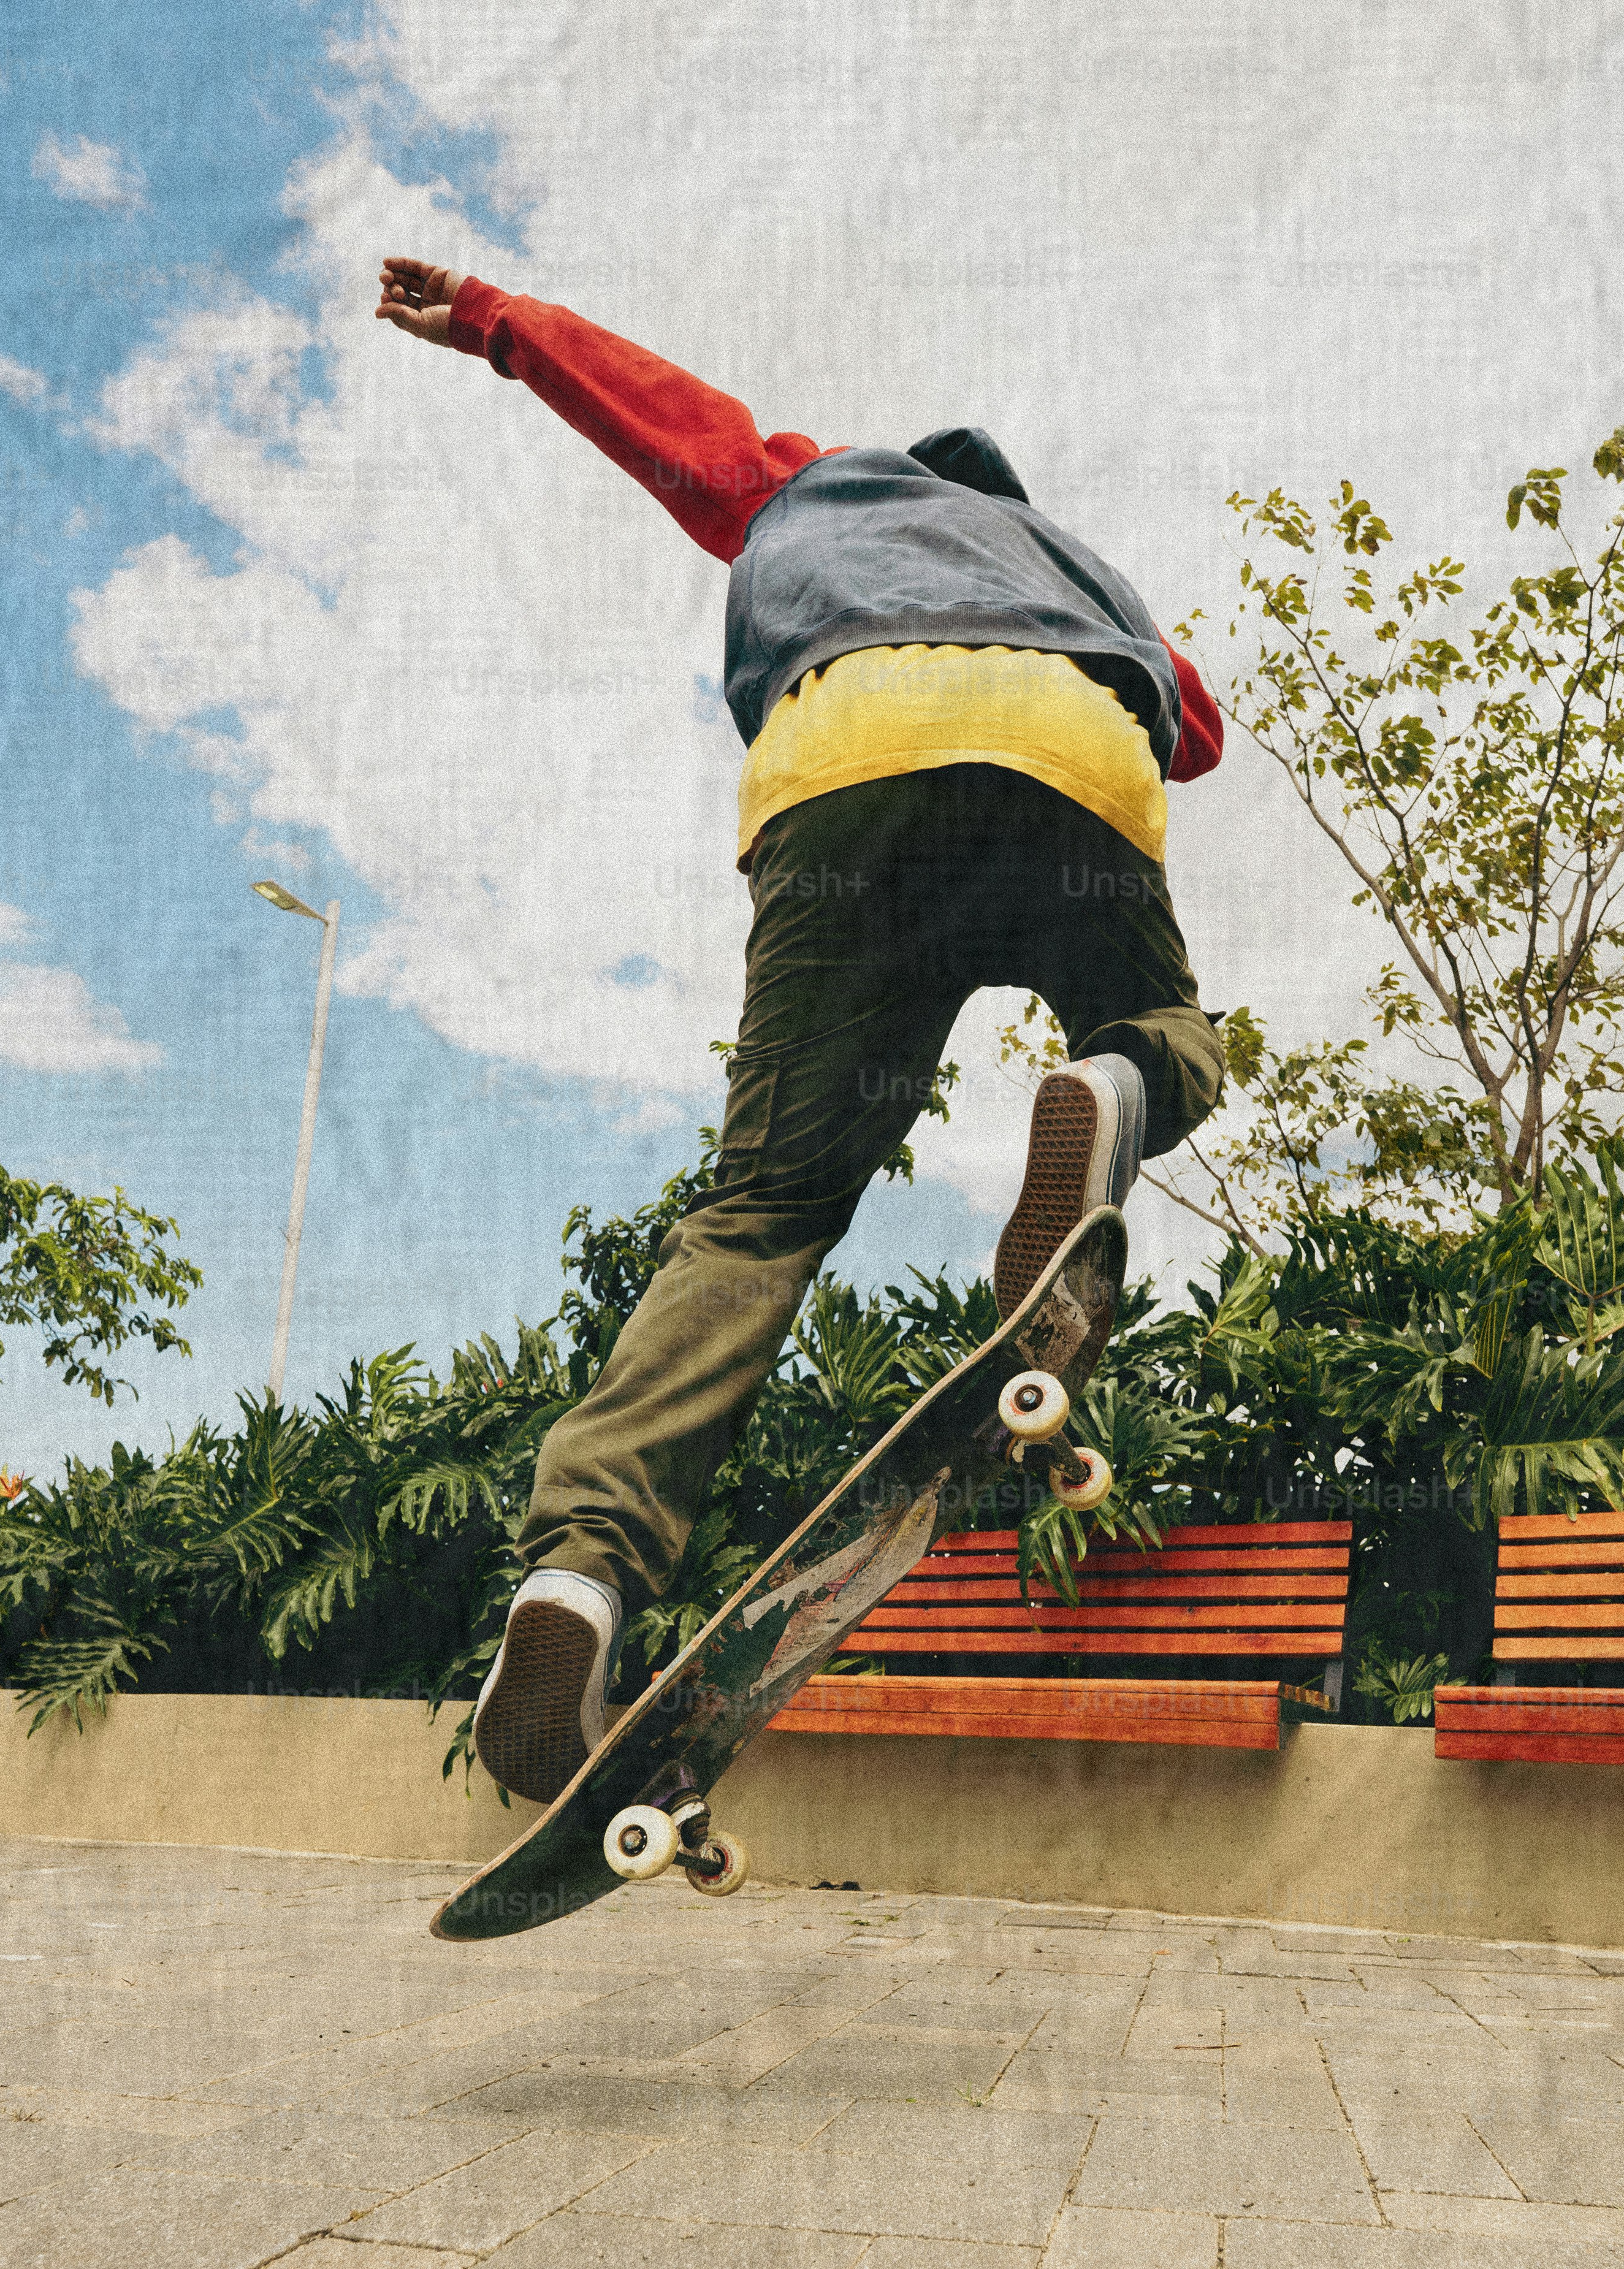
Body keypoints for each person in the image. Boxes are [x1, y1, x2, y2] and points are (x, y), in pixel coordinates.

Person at [373, 254, 1230, 1804]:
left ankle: (580, 1573)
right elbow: (1203, 728)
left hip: (852, 756)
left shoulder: (812, 488)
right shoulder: (1076, 560)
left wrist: (498, 324)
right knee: (1158, 1017)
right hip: (1075, 750)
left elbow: (663, 422)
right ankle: (1109, 1079)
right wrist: (1094, 634)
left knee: (762, 1209)